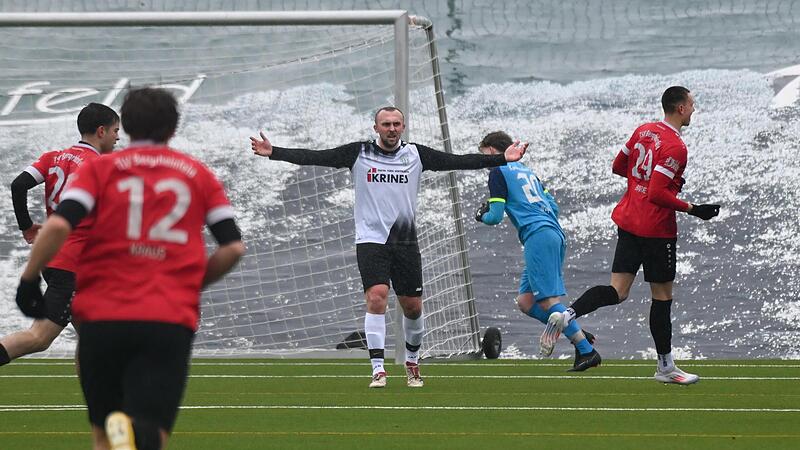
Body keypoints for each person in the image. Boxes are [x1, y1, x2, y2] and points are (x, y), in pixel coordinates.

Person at [15, 87, 245, 450]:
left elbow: (58, 225)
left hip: (104, 314)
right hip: (167, 316)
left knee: (104, 434)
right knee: (153, 431)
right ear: (172, 129)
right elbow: (232, 247)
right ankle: (143, 434)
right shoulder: (197, 174)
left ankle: (117, 432)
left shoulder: (100, 169)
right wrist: (191, 283)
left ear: (129, 127)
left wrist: (29, 280)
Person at [250, 106, 528, 388]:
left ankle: (412, 362)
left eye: (396, 124)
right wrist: (274, 152)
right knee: (377, 297)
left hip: (405, 241)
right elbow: (317, 157)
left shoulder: (416, 154)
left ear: (402, 127)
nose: (391, 129)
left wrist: (502, 158)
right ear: (376, 128)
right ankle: (378, 369)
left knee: (413, 307)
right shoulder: (358, 153)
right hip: (371, 240)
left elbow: (457, 160)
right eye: (386, 124)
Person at [549, 86, 720, 384]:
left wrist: (645, 181)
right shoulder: (676, 147)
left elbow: (619, 166)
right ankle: (665, 367)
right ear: (680, 108)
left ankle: (568, 314)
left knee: (617, 291)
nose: (694, 109)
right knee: (662, 297)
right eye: (692, 104)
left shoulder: (644, 130)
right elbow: (657, 193)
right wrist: (694, 209)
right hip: (656, 230)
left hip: (629, 222)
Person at [1, 103, 119, 366]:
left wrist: (26, 225)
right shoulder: (100, 167)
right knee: (39, 337)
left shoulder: (53, 157)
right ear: (101, 131)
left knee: (92, 340)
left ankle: (99, 394)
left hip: (53, 258)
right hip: (73, 265)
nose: (118, 138)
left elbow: (19, 185)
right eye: (115, 131)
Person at [475, 131, 601, 371]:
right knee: (525, 302)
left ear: (492, 150)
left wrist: (481, 215)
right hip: (553, 233)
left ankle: (586, 350)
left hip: (538, 236)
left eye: (484, 155)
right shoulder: (528, 172)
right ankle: (571, 328)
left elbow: (495, 217)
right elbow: (553, 206)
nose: (485, 162)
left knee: (547, 301)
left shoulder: (498, 171)